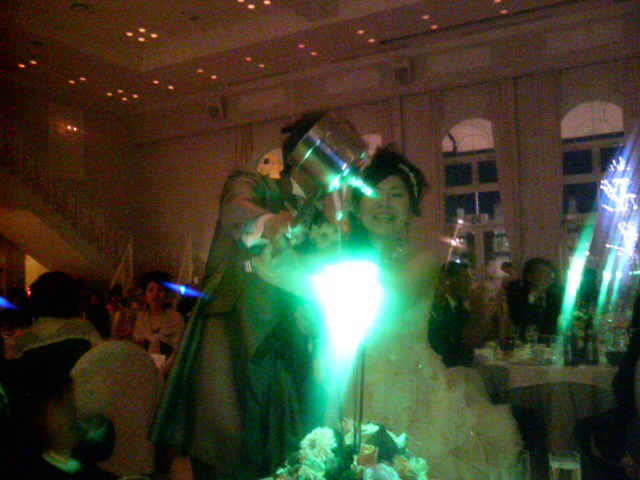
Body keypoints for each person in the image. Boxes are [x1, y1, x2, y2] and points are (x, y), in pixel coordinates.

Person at [254, 146, 523, 479]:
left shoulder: (423, 260)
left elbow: (385, 297)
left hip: (413, 394)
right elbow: (273, 268)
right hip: (347, 387)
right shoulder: (340, 257)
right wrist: (278, 234)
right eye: (374, 194)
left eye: (396, 195)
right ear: (356, 205)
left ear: (411, 207)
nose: (384, 203)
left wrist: (314, 301)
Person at [151, 111, 330, 479]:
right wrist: (271, 223)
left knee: (284, 463)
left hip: (287, 358)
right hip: (232, 347)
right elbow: (237, 209)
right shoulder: (251, 184)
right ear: (306, 153)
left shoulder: (322, 220)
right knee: (223, 456)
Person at [132, 270, 185, 375]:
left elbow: (178, 351)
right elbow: (137, 349)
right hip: (145, 371)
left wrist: (160, 372)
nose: (155, 293)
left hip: (170, 372)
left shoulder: (175, 318)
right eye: (150, 290)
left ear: (165, 294)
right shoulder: (141, 319)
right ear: (145, 294)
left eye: (160, 290)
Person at [428, 261, 473, 367]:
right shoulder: (434, 308)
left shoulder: (460, 308)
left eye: (468, 277)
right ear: (448, 280)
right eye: (463, 277)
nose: (468, 282)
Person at [505, 257, 562, 340]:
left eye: (550, 274)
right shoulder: (516, 294)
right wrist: (536, 294)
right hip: (523, 343)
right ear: (529, 277)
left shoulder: (553, 297)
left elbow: (553, 325)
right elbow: (517, 321)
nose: (548, 277)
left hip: (548, 343)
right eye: (543, 274)